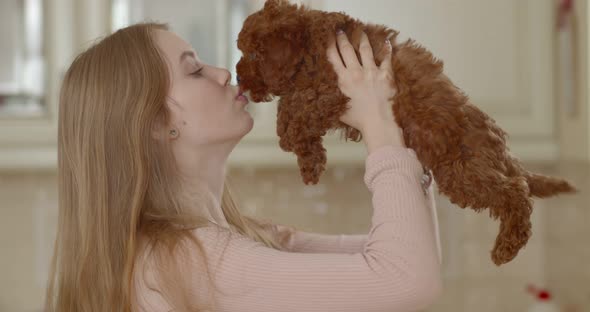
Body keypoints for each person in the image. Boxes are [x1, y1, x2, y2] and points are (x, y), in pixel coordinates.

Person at [45, 22, 443, 312]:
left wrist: (401, 128)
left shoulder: (238, 239)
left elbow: (410, 255)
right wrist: (379, 127)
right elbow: (405, 279)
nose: (222, 73)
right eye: (195, 70)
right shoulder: (190, 259)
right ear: (153, 123)